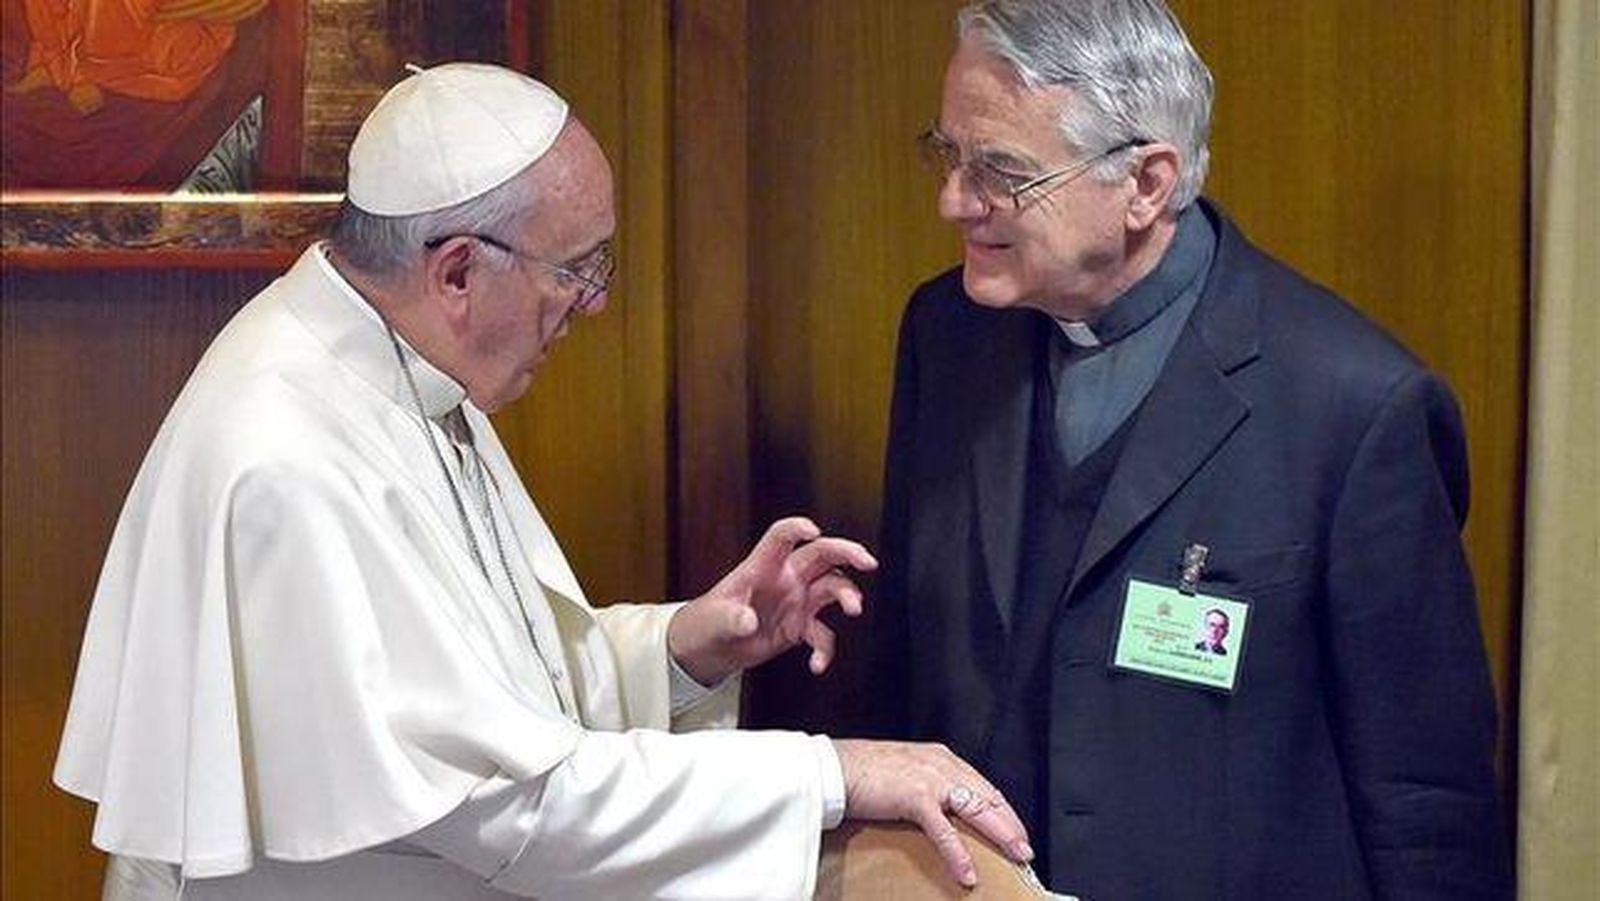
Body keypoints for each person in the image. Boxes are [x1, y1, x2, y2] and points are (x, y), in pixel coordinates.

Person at [54, 63, 1032, 899]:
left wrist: (686, 647)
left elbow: (481, 690)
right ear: (457, 272)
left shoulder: (397, 372)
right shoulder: (289, 454)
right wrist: (835, 773)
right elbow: (502, 796)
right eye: (578, 268)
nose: (593, 304)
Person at [870, 1, 1511, 898]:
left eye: (1001, 171)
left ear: (1147, 183)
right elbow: (897, 670)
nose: (954, 201)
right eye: (948, 154)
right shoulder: (947, 336)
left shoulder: (1357, 407)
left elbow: (1426, 804)